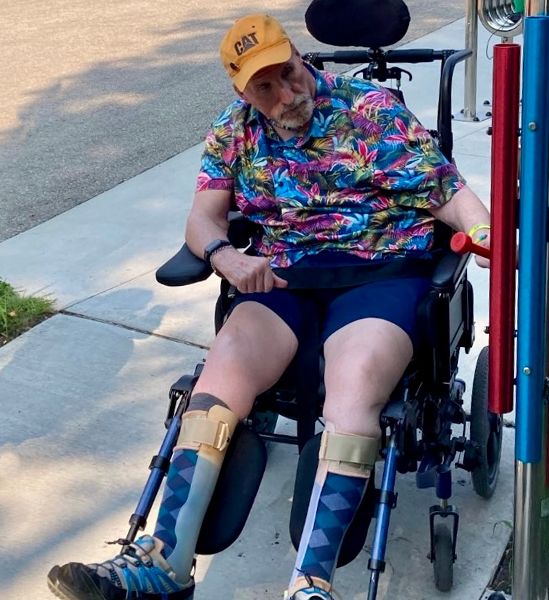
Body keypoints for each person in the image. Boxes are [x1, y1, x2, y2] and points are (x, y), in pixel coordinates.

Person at [47, 13, 491, 600]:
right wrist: (224, 255)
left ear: (300, 57)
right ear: (241, 91)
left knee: (353, 382)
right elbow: (203, 217)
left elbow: (448, 193)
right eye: (265, 87)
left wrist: (484, 230)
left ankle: (311, 583)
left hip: (379, 273)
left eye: (289, 73)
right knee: (222, 366)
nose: (286, 94)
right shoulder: (233, 132)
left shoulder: (372, 110)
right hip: (283, 278)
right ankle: (162, 563)